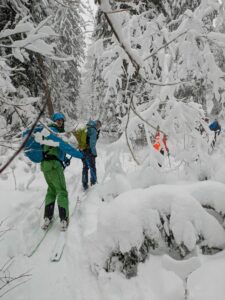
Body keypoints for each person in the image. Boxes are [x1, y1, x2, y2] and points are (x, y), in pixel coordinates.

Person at [41, 112, 83, 231]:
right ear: (54, 121)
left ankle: (47, 217)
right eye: (58, 120)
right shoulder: (53, 132)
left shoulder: (47, 132)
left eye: (61, 120)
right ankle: (64, 219)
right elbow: (65, 147)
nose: (60, 122)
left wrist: (64, 159)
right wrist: (81, 155)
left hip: (46, 166)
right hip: (54, 166)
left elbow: (53, 149)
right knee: (62, 191)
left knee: (51, 190)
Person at [81, 119, 102, 190]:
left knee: (85, 167)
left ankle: (84, 184)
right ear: (97, 124)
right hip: (89, 152)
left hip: (83, 151)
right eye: (99, 126)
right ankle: (94, 183)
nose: (98, 128)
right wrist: (93, 153)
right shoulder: (93, 130)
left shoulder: (87, 128)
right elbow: (92, 144)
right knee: (92, 167)